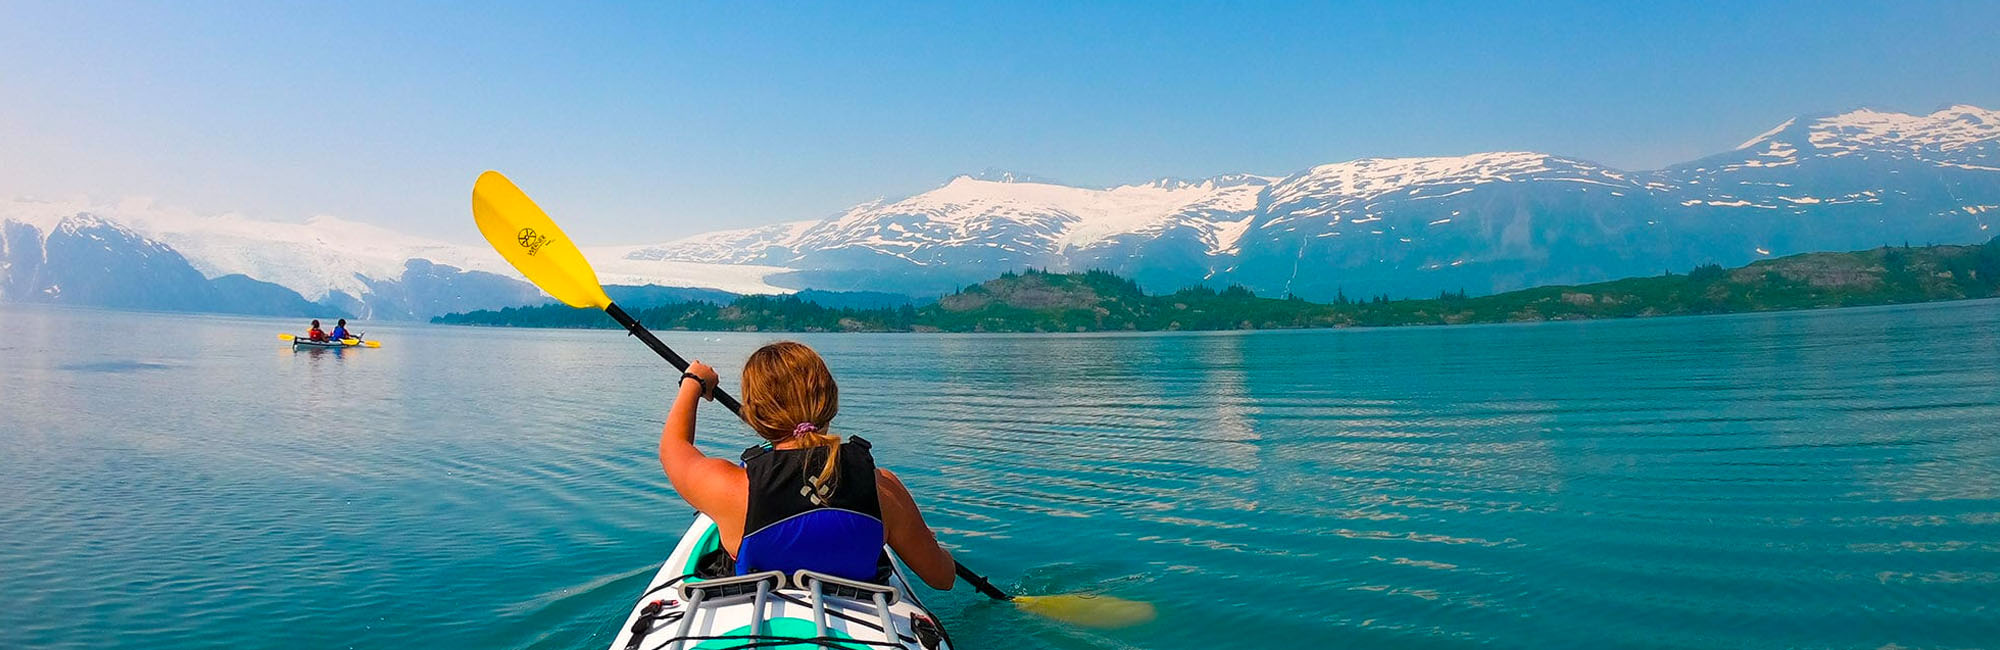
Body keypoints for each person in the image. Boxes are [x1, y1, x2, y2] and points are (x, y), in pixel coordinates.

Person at [661, 341, 956, 589]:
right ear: (831, 400)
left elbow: (673, 448)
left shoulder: (733, 489)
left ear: (753, 415)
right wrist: (930, 544)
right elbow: (943, 578)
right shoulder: (884, 490)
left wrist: (694, 382)